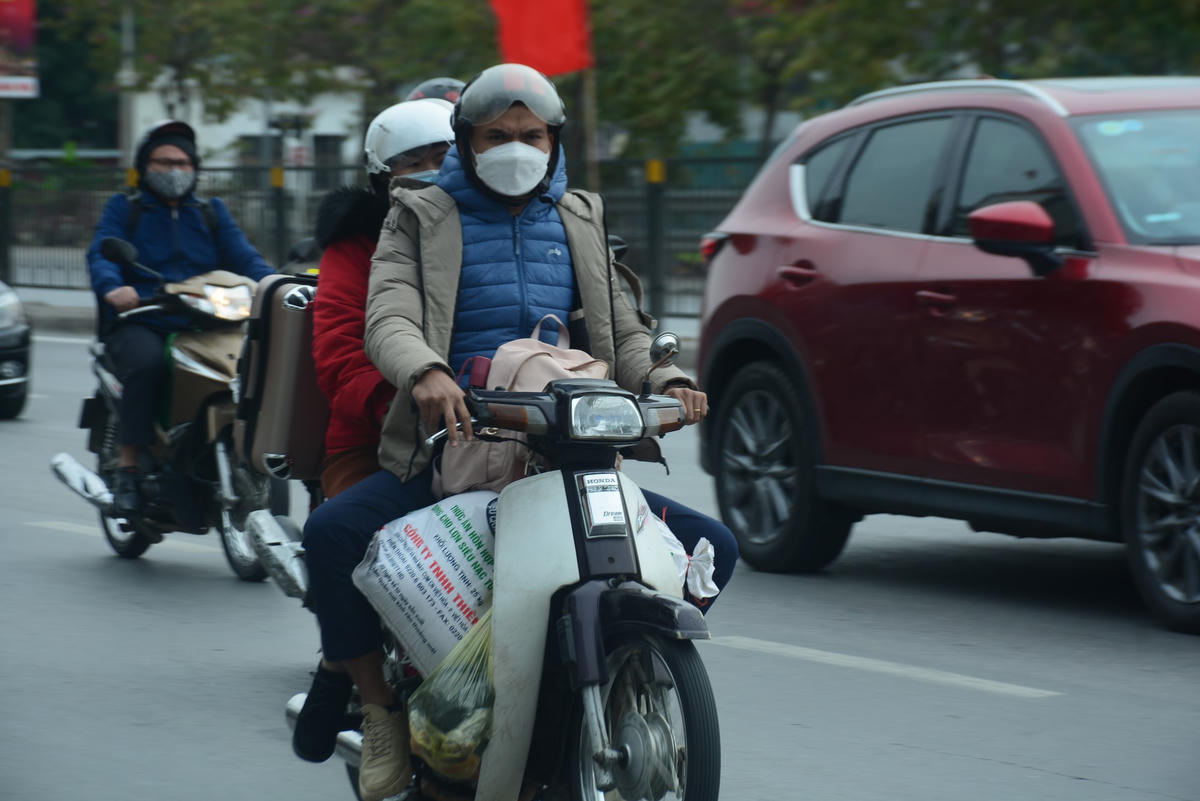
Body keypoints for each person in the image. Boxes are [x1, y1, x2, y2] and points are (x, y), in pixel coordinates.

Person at [302, 63, 738, 801]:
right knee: (333, 535)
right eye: (497, 135)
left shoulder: (577, 215)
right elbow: (389, 318)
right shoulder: (419, 212)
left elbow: (621, 331)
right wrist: (427, 372)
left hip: (565, 447)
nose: (515, 147)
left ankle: (617, 669)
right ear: (465, 143)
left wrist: (664, 381)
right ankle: (380, 709)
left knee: (713, 549)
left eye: (530, 134)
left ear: (553, 139)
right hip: (454, 442)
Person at [291, 96, 457, 769]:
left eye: (444, 160)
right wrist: (411, 400)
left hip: (494, 431)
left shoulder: (502, 224)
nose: (430, 174)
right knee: (355, 548)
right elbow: (337, 357)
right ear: (379, 178)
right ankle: (371, 693)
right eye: (412, 165)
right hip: (379, 436)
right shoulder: (359, 245)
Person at [86, 120, 274, 518]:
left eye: (183, 163)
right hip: (145, 318)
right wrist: (113, 288)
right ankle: (128, 467)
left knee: (245, 366)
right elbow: (102, 253)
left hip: (204, 319)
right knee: (147, 365)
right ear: (145, 166)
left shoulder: (209, 212)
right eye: (164, 162)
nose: (174, 170)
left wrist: (273, 285)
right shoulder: (127, 208)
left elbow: (245, 258)